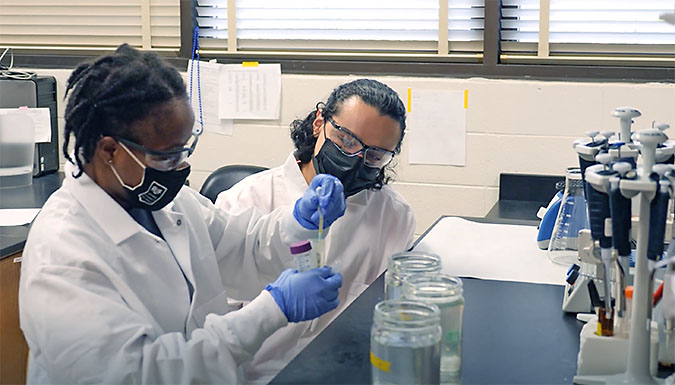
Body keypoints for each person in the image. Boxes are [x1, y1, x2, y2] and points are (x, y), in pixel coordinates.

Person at [18, 44, 347, 384]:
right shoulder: (60, 255)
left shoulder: (167, 204)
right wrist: (271, 311)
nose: (182, 167)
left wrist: (299, 221)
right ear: (110, 150)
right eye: (168, 156)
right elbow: (142, 374)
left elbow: (243, 247)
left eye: (185, 149)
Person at [215, 78, 416, 383]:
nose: (354, 160)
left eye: (374, 156)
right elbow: (213, 327)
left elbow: (393, 319)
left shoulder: (394, 217)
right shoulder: (246, 199)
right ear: (319, 122)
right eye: (346, 140)